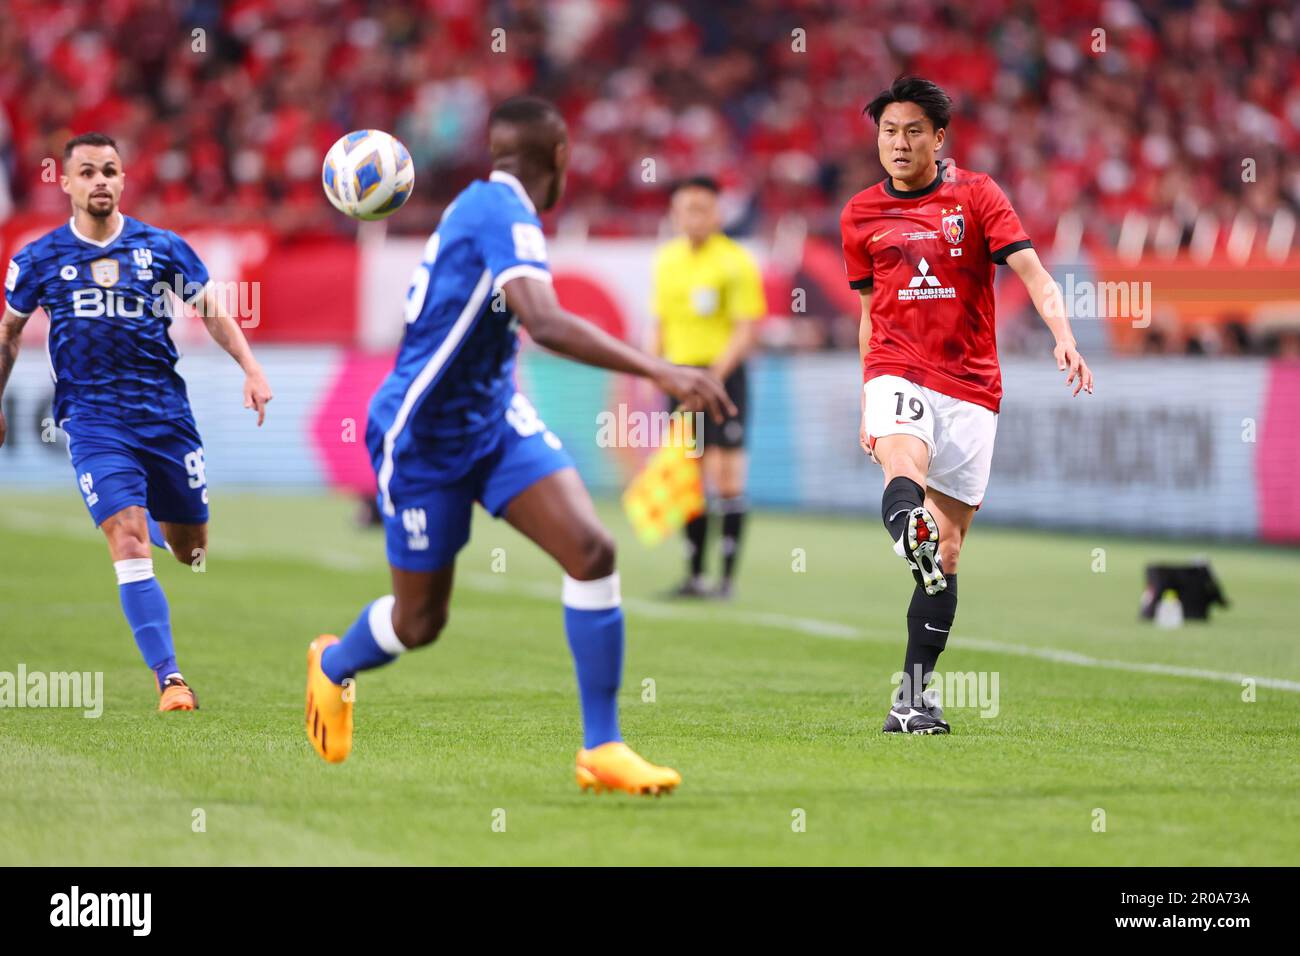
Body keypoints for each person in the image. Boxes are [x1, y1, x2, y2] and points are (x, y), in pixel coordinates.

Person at [304, 97, 733, 795]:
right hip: (421, 437)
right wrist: (660, 369)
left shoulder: (487, 209)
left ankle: (602, 748)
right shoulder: (501, 213)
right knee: (420, 622)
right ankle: (333, 664)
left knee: (592, 550)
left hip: (493, 420)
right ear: (560, 157)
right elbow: (545, 320)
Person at [840, 76, 1094, 734]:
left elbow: (1035, 274)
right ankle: (906, 529)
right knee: (903, 460)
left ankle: (911, 697)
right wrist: (865, 391)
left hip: (972, 387)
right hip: (897, 371)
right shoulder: (859, 215)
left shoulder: (978, 196)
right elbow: (870, 315)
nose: (899, 143)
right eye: (889, 132)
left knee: (945, 555)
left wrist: (1064, 339)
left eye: (912, 131)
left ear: (939, 138)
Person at [0, 132, 273, 711]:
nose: (101, 180)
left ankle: (158, 522)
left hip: (166, 418)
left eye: (111, 171)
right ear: (67, 183)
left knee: (192, 551)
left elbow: (212, 312)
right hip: (94, 421)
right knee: (124, 535)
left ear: (123, 180)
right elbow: (9, 334)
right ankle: (170, 679)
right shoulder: (39, 259)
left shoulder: (163, 248)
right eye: (89, 172)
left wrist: (251, 368)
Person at [651, 176, 766, 599]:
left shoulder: (735, 261)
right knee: (689, 473)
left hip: (722, 378)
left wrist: (714, 375)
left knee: (727, 475)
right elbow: (660, 323)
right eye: (685, 208)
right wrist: (653, 370)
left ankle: (727, 580)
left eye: (701, 208)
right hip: (681, 378)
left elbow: (746, 329)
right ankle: (695, 576)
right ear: (673, 214)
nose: (693, 216)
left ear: (717, 213)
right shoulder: (666, 261)